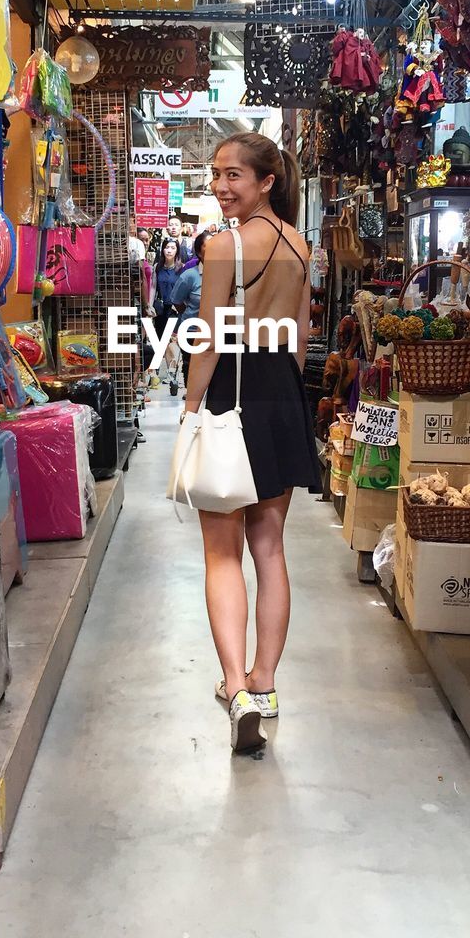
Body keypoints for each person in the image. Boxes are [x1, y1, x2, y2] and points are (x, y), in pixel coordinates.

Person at [180, 132, 318, 753]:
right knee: (270, 549)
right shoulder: (299, 242)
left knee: (221, 554)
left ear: (266, 181)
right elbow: (298, 334)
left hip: (231, 390)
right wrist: (288, 406)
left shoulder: (222, 246)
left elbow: (208, 340)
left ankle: (235, 684)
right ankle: (265, 682)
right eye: (215, 174)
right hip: (281, 394)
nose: (220, 186)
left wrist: (189, 410)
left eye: (233, 175)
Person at [169, 230, 208, 384]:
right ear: (199, 251)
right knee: (191, 364)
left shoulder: (225, 274)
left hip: (216, 328)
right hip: (192, 329)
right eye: (208, 247)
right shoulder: (190, 276)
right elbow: (177, 300)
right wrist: (189, 315)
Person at [153, 237, 183, 389]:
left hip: (175, 309)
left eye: (173, 247)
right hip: (161, 309)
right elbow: (153, 287)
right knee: (161, 341)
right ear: (162, 249)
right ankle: (163, 372)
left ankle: (174, 374)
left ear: (177, 250)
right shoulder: (157, 267)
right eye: (167, 247)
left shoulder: (180, 268)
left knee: (173, 340)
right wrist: (149, 306)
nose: (169, 250)